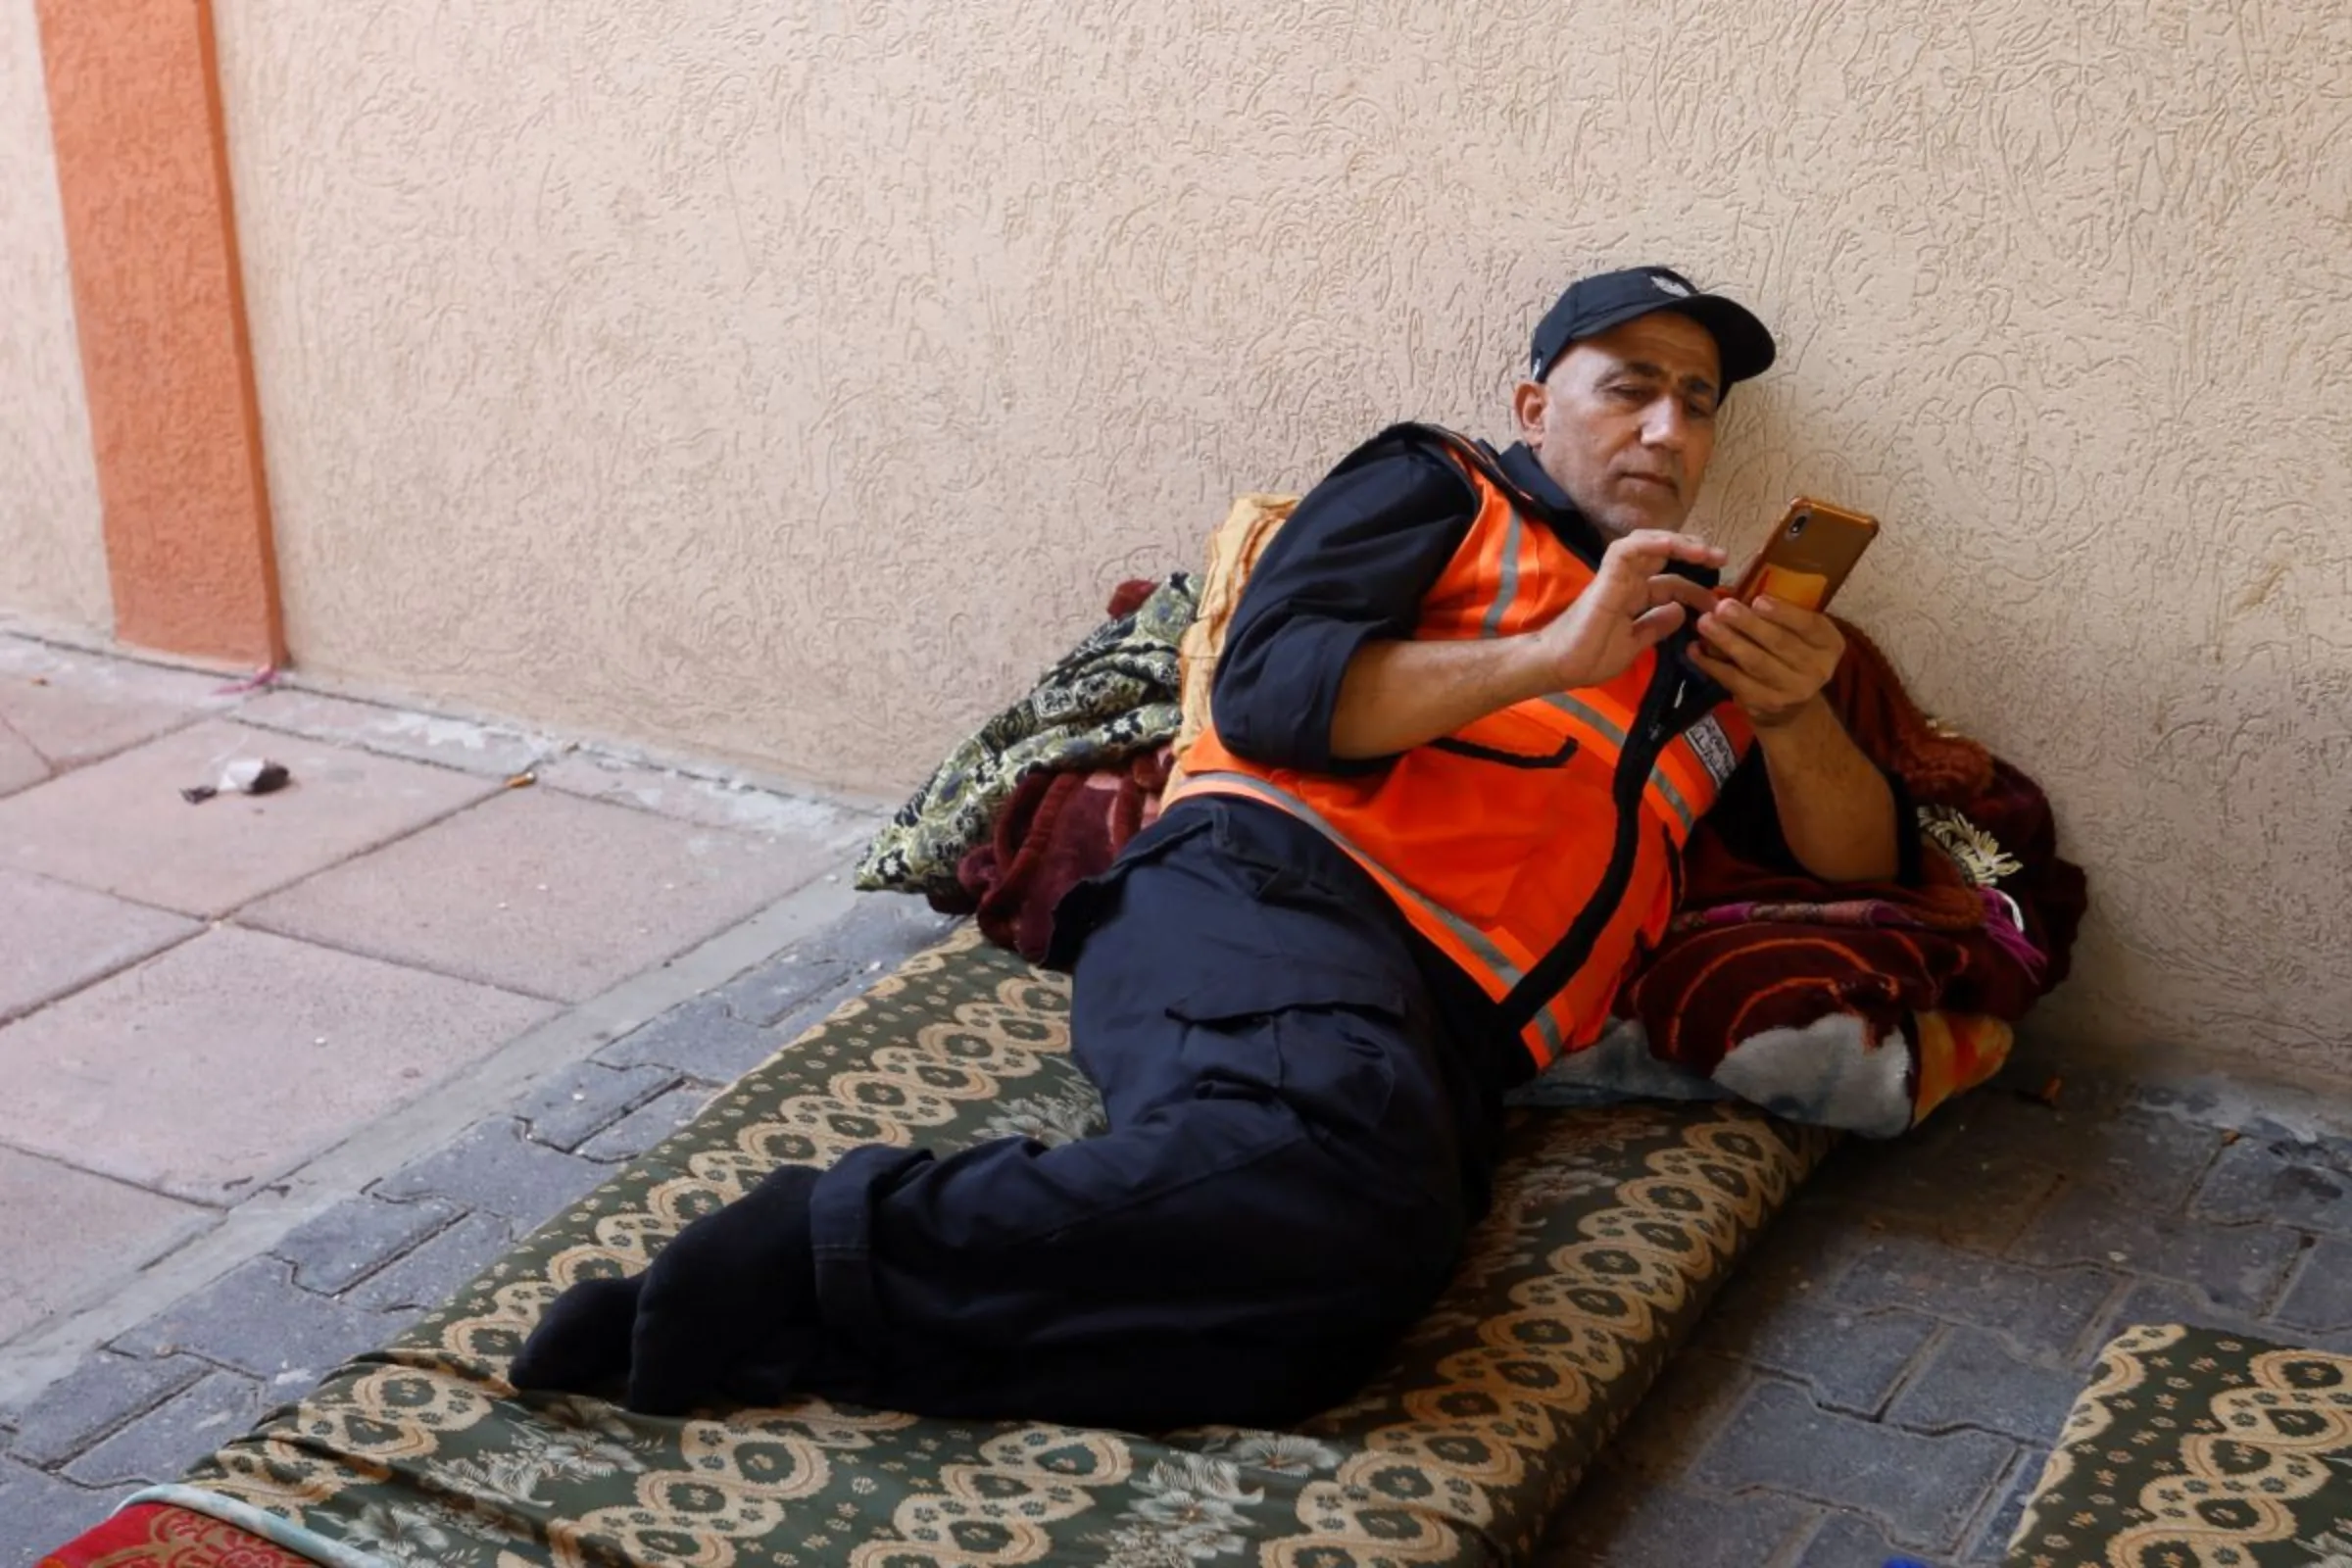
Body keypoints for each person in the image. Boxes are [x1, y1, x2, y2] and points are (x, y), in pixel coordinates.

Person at [512, 265, 1910, 1430]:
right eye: (1630, 388)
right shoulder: (1442, 491)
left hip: (1452, 1043)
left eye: (1699, 403)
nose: (1667, 430)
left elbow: (1857, 868)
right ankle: (803, 1245)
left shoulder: (1717, 650)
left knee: (1323, 1325)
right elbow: (1271, 693)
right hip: (1270, 897)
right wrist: (1551, 652)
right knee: (1312, 1172)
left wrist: (1794, 714)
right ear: (1537, 405)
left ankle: (808, 1339)